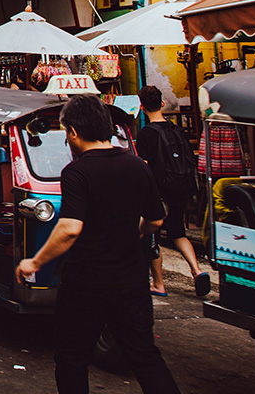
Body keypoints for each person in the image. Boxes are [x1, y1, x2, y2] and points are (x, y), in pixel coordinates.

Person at [16, 95, 179, 394]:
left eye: (66, 133)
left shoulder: (77, 172)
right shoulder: (138, 166)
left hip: (86, 283)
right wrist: (136, 232)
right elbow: (156, 221)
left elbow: (69, 228)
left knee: (72, 358)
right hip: (132, 281)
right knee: (145, 357)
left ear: (74, 132)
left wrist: (35, 262)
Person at [137, 86, 209, 297]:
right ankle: (197, 271)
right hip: (181, 188)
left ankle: (158, 284)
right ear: (162, 103)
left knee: (152, 237)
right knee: (178, 231)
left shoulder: (146, 134)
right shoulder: (177, 130)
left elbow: (145, 167)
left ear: (141, 107)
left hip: (159, 192)